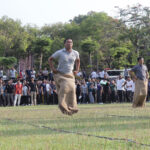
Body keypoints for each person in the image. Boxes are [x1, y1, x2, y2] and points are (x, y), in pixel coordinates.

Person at [48, 38, 80, 115]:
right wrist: (53, 68)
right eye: (68, 42)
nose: (69, 44)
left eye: (71, 42)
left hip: (70, 75)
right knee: (64, 88)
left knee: (72, 89)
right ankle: (63, 107)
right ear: (64, 44)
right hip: (60, 74)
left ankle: (72, 108)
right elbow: (50, 59)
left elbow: (78, 61)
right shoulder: (59, 52)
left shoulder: (75, 53)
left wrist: (77, 69)